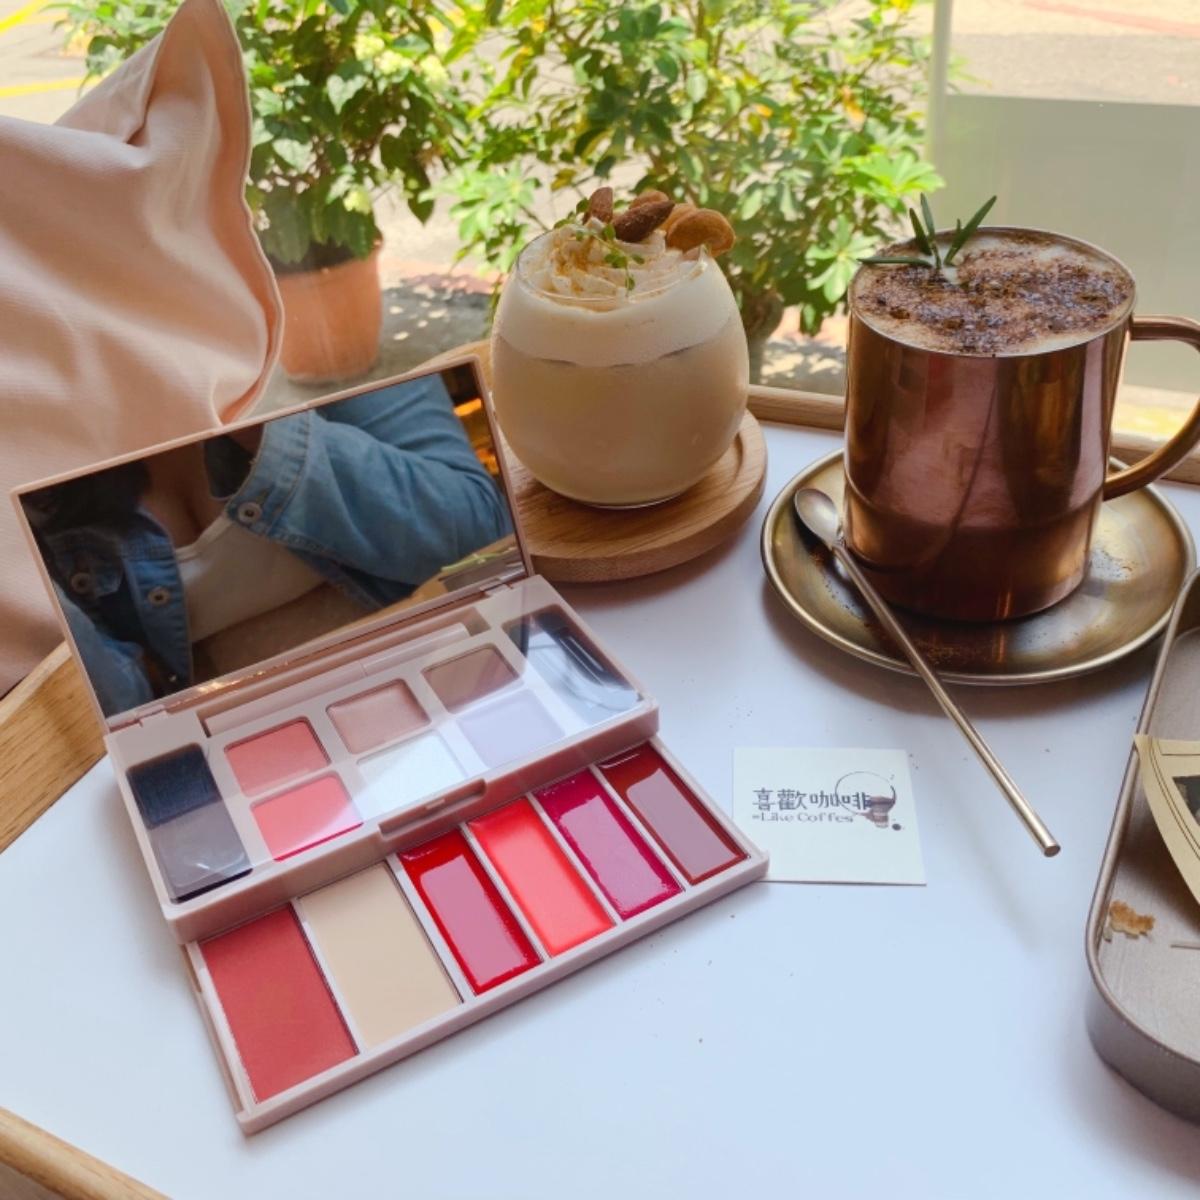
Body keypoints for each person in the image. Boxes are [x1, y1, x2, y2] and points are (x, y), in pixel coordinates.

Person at [23, 373, 512, 716]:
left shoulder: (311, 333)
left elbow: (479, 538)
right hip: (235, 738)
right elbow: (115, 712)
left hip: (442, 664)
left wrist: (260, 428)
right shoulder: (35, 445)